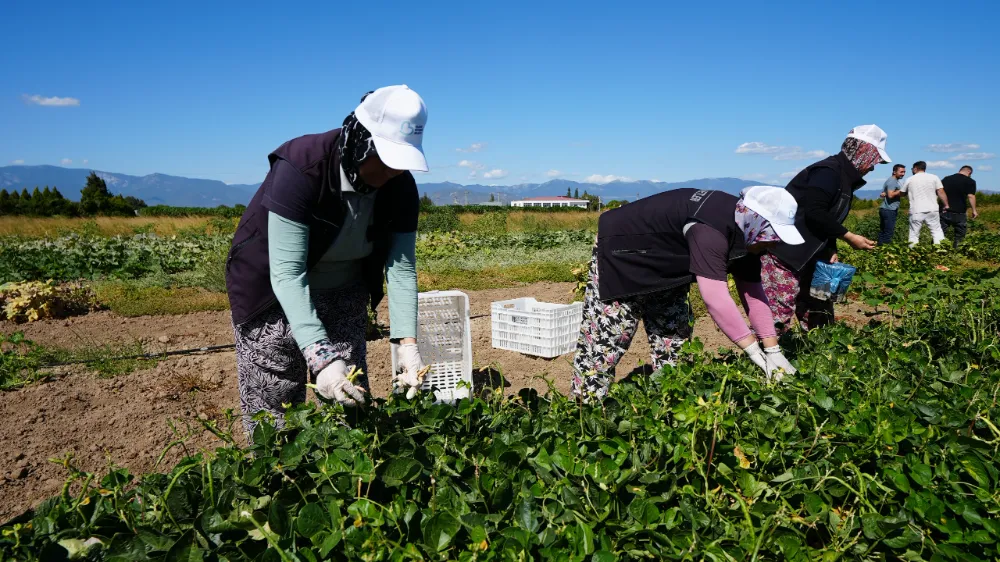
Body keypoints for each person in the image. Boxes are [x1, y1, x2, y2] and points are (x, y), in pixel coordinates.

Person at [225, 85, 430, 438]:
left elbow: (401, 268)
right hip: (270, 293)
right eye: (384, 157)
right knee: (276, 402)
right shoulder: (303, 166)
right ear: (360, 139)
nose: (391, 171)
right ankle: (276, 482)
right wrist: (320, 356)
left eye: (400, 161)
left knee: (347, 397)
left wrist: (406, 347)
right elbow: (287, 273)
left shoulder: (400, 186)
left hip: (343, 288)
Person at [570, 185, 806, 401]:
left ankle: (667, 409)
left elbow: (754, 293)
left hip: (667, 264)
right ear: (756, 222)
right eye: (771, 236)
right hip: (622, 253)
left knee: (674, 344)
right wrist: (758, 358)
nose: (773, 244)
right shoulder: (710, 230)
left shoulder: (747, 231)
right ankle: (580, 414)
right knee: (605, 342)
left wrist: (774, 351)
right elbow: (715, 300)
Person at [761, 125, 885, 333]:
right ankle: (767, 358)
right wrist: (849, 236)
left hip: (812, 254)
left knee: (820, 304)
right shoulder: (828, 172)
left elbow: (827, 218)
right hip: (785, 254)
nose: (872, 168)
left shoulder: (843, 178)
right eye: (874, 161)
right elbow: (814, 211)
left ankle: (820, 352)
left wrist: (831, 248)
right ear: (863, 153)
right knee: (779, 311)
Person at [899, 161, 949, 246]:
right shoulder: (934, 177)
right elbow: (941, 191)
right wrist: (946, 205)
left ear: (915, 168)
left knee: (914, 234)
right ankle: (940, 251)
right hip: (932, 209)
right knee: (936, 231)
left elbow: (902, 193)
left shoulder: (910, 179)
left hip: (916, 210)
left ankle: (913, 253)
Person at [939, 165, 978, 248]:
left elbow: (939, 192)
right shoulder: (970, 181)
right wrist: (974, 210)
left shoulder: (946, 179)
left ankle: (937, 250)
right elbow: (971, 196)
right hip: (959, 211)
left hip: (944, 210)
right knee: (960, 233)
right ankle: (957, 251)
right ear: (969, 172)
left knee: (940, 232)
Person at [877, 164, 906, 245]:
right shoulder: (892, 181)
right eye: (901, 172)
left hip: (886, 209)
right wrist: (903, 190)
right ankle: (885, 252)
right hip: (889, 210)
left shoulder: (892, 180)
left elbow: (889, 194)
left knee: (883, 230)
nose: (903, 174)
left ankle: (879, 249)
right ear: (894, 172)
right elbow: (890, 195)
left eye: (904, 172)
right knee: (888, 232)